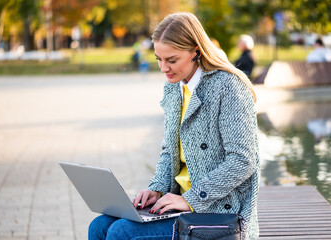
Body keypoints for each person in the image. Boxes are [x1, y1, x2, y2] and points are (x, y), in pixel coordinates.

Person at [89, 12, 260, 240]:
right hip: (179, 203)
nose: (163, 68)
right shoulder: (174, 88)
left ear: (196, 51)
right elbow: (170, 150)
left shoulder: (228, 87)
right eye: (159, 59)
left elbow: (242, 160)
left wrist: (190, 199)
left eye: (172, 60)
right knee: (99, 226)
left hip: (220, 212)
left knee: (122, 232)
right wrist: (157, 188)